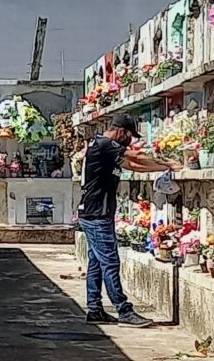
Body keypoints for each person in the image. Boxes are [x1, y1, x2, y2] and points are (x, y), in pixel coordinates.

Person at [75, 114, 177, 325]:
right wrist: (167, 162)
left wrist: (163, 168)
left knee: (96, 262)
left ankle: (94, 309)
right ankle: (124, 310)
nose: (129, 141)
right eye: (129, 136)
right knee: (110, 262)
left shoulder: (103, 148)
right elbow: (136, 157)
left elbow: (134, 166)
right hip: (97, 215)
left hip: (93, 213)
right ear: (121, 132)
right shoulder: (105, 144)